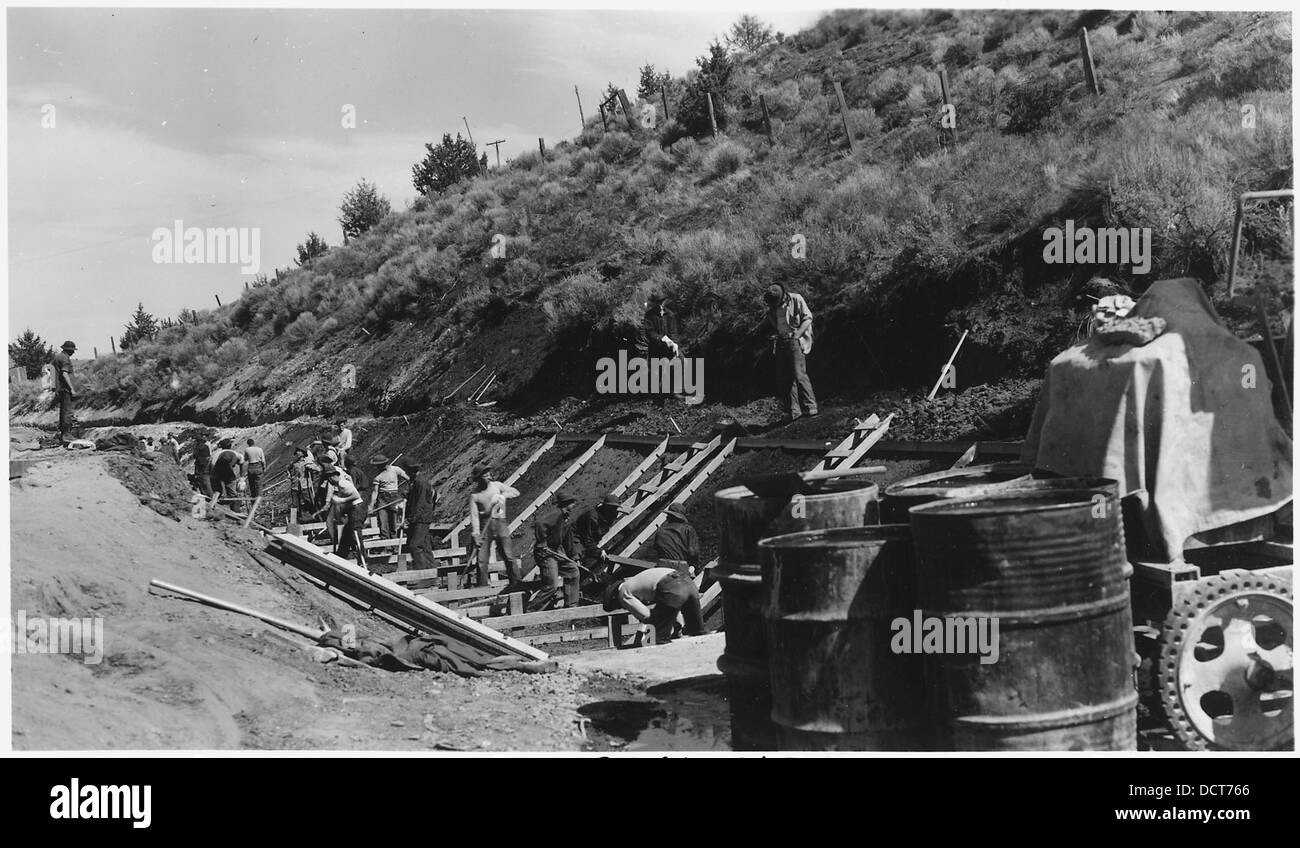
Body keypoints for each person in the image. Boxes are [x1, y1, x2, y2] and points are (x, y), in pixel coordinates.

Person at [602, 566, 705, 644]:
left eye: (620, 606)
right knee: (697, 632)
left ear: (614, 598)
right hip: (688, 582)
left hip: (670, 585)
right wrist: (677, 624)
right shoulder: (637, 582)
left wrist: (646, 638)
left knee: (659, 639)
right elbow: (671, 608)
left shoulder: (623, 592)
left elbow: (647, 616)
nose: (624, 607)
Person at [760, 282, 818, 421]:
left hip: (795, 340)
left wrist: (797, 335)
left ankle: (810, 407)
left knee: (799, 374)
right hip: (781, 341)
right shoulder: (773, 308)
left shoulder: (796, 299)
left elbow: (808, 317)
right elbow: (776, 323)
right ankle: (794, 411)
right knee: (785, 378)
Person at [469, 465, 523, 587]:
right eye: (484, 476)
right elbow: (474, 516)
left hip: (500, 523)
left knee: (508, 555)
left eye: (488, 474)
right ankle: (482, 588)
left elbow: (515, 492)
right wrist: (476, 534)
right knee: (482, 560)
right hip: (484, 526)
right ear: (479, 479)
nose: (488, 477)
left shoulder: (497, 486)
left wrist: (502, 496)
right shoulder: (475, 495)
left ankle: (516, 583)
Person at [533, 490, 580, 606]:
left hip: (556, 551)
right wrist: (542, 542)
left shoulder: (566, 518)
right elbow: (539, 523)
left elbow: (568, 540)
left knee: (573, 571)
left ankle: (571, 605)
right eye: (573, 502)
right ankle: (531, 611)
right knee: (552, 586)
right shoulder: (556, 514)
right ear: (566, 503)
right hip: (546, 553)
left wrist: (574, 556)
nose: (574, 505)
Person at [322, 465, 366, 565]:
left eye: (329, 479)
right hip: (353, 509)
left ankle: (363, 561)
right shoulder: (340, 484)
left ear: (331, 477)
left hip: (357, 510)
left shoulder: (342, 483)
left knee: (356, 536)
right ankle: (340, 558)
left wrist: (341, 500)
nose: (329, 482)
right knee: (346, 536)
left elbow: (356, 495)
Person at [574, 492, 624, 580]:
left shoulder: (611, 514)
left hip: (590, 538)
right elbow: (587, 539)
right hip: (576, 537)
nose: (615, 510)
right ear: (606, 507)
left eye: (616, 508)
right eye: (613, 508)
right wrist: (598, 551)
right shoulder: (591, 517)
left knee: (595, 557)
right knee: (577, 559)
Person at [403, 461, 438, 572]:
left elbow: (420, 504)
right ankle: (432, 573)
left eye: (407, 471)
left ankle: (423, 574)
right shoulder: (414, 482)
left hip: (421, 518)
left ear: (412, 471)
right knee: (425, 546)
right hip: (418, 517)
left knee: (415, 546)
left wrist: (409, 520)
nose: (406, 473)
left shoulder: (421, 483)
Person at [651, 503, 701, 578]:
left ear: (669, 517)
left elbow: (658, 551)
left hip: (662, 568)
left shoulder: (660, 532)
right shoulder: (688, 529)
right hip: (681, 568)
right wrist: (696, 568)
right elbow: (693, 553)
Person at [369, 454, 409, 538]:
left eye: (378, 465)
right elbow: (375, 492)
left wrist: (408, 490)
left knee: (393, 522)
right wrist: (371, 505)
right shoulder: (378, 477)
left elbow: (407, 478)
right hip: (382, 498)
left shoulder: (395, 469)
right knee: (383, 522)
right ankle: (385, 545)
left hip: (394, 497)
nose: (377, 467)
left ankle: (394, 545)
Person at [638, 291, 680, 359]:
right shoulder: (649, 315)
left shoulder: (670, 314)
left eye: (661, 302)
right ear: (654, 303)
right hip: (655, 351)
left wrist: (674, 343)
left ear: (664, 302)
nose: (660, 305)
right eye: (657, 303)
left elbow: (673, 332)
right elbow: (649, 333)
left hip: (668, 351)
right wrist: (662, 338)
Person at [52, 340, 78, 444]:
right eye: (72, 351)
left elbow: (52, 371)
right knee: (67, 411)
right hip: (65, 388)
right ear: (70, 350)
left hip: (59, 388)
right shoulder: (65, 358)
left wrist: (54, 387)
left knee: (63, 411)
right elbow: (64, 373)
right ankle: (66, 435)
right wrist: (71, 388)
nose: (73, 353)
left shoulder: (57, 357)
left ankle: (64, 434)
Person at [211, 438, 244, 502]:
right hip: (228, 473)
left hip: (217, 472)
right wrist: (241, 477)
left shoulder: (216, 455)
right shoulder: (236, 454)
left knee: (218, 490)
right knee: (232, 489)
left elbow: (212, 467)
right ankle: (234, 501)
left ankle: (221, 498)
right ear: (230, 446)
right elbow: (242, 463)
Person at [289, 447, 319, 513]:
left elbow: (317, 469)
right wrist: (290, 476)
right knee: (295, 504)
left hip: (305, 485)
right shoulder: (293, 463)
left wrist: (310, 467)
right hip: (295, 485)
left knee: (309, 501)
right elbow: (288, 469)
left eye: (299, 451)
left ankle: (315, 516)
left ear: (303, 453)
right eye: (297, 451)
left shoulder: (308, 462)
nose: (297, 453)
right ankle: (294, 520)